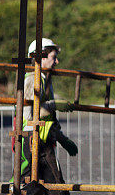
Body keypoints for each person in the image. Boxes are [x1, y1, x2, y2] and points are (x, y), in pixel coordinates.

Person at [14, 38, 77, 189]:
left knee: (46, 187)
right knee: (35, 186)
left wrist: (62, 139)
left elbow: (48, 118)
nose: (57, 62)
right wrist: (54, 105)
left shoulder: (44, 81)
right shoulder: (32, 80)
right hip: (32, 140)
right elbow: (29, 115)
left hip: (42, 140)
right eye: (53, 57)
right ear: (40, 57)